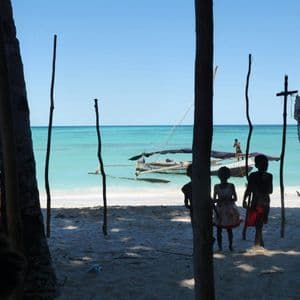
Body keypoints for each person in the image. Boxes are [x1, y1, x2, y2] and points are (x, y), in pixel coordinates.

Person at [243, 154, 273, 247]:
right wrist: (244, 199)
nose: (265, 166)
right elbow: (249, 189)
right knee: (258, 222)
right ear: (256, 166)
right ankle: (258, 241)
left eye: (266, 164)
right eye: (263, 165)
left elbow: (270, 191)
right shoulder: (253, 175)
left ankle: (259, 241)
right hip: (256, 201)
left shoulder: (268, 176)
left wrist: (263, 184)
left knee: (260, 222)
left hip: (264, 201)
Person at [213, 166, 241, 251]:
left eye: (223, 175)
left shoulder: (229, 186)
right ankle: (225, 246)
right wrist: (223, 200)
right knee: (223, 229)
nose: (222, 176)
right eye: (222, 175)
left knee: (225, 229)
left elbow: (235, 199)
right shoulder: (218, 186)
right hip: (221, 209)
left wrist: (222, 200)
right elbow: (214, 200)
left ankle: (227, 246)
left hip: (228, 209)